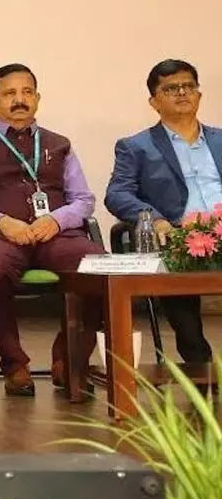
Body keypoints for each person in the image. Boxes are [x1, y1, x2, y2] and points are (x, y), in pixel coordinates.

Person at [0, 63, 103, 395]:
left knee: (98, 264)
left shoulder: (60, 144)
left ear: (38, 98)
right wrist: (0, 221)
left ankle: (70, 360)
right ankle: (14, 363)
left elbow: (84, 200)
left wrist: (57, 220)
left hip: (56, 235)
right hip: (0, 235)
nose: (20, 100)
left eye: (27, 92)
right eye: (10, 93)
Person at [105, 59, 216, 364]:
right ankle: (200, 368)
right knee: (173, 269)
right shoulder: (136, 146)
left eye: (188, 86)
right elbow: (117, 194)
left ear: (199, 94)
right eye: (170, 88)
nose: (182, 93)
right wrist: (155, 219)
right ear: (154, 102)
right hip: (180, 237)